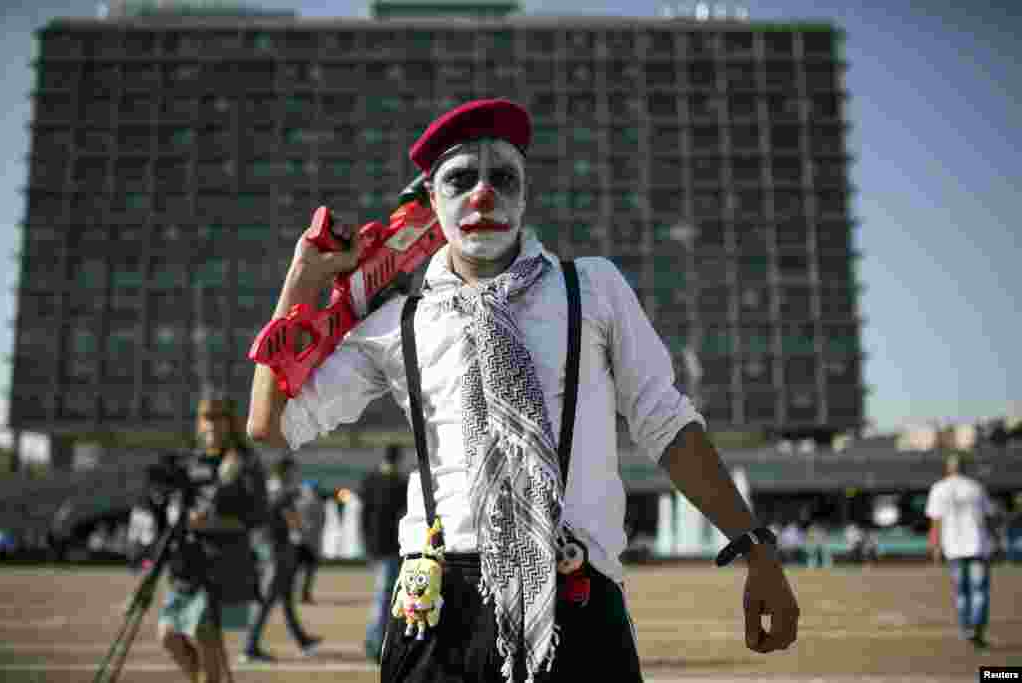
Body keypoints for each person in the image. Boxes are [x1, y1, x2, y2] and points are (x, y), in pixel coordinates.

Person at [248, 98, 800, 682]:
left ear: (524, 195)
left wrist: (754, 545)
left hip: (575, 603)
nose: (483, 193)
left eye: (503, 178)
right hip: (436, 618)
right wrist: (304, 277)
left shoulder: (593, 289)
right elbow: (271, 422)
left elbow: (666, 423)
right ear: (433, 204)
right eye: (461, 179)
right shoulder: (399, 323)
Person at [158, 392, 268, 683]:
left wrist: (214, 520)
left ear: (231, 422)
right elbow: (174, 502)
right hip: (187, 561)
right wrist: (176, 514)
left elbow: (257, 515)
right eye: (207, 417)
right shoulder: (191, 460)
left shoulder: (245, 463)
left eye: (220, 417)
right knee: (168, 635)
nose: (213, 424)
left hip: (224, 561)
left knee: (204, 631)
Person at [241, 457, 322, 662]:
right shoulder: (283, 492)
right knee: (267, 600)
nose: (297, 475)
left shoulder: (269, 489)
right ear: (287, 472)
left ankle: (302, 640)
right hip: (279, 552)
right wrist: (302, 531)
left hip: (271, 549)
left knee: (285, 600)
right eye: (294, 472)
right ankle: (249, 647)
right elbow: (292, 520)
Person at [925, 454, 997, 650]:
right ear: (965, 468)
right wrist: (994, 540)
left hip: (954, 547)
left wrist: (935, 546)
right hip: (977, 545)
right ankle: (976, 629)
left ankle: (966, 628)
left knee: (961, 592)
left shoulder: (938, 489)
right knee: (979, 590)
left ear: (948, 468)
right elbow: (989, 517)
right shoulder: (976, 487)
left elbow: (935, 522)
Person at [358, 444, 409, 662]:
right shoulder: (400, 483)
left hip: (374, 546)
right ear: (397, 459)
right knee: (386, 597)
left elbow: (363, 515)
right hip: (392, 547)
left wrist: (365, 543)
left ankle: (375, 642)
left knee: (383, 595)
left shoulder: (370, 480)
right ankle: (376, 644)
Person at [294, 478, 327, 604]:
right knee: (308, 571)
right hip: (311, 541)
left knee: (299, 571)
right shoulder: (317, 503)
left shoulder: (298, 502)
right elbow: (322, 522)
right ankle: (304, 595)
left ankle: (300, 594)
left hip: (301, 540)